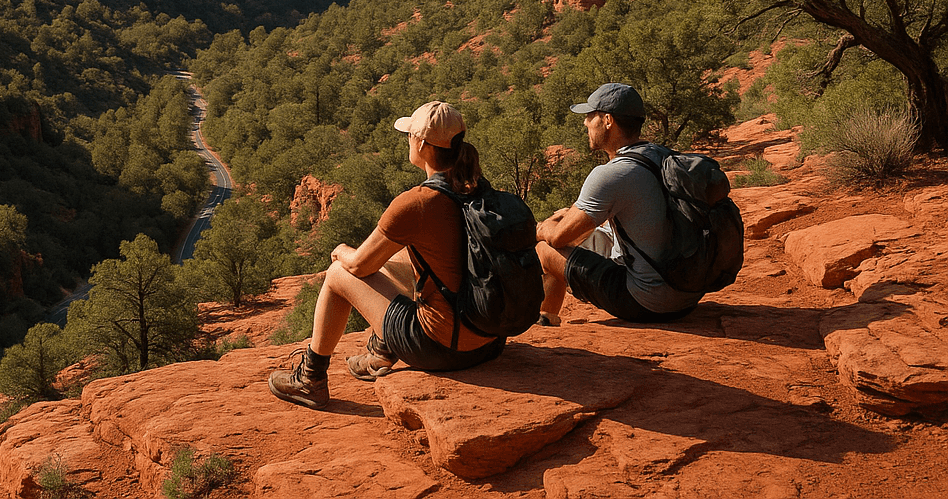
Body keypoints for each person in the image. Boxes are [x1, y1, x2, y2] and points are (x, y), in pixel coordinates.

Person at [268, 101, 506, 409]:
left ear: (421, 144)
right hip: (490, 342)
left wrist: (339, 250)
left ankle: (310, 380)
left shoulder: (416, 203)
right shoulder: (478, 189)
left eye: (410, 136)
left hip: (442, 349)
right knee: (402, 260)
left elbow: (358, 264)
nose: (408, 140)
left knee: (339, 274)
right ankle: (382, 351)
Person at [534, 82, 702, 325]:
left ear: (608, 120)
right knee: (586, 233)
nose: (585, 123)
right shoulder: (662, 156)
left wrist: (541, 228)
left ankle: (545, 322)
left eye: (590, 116)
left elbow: (559, 238)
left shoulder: (611, 174)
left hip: (645, 302)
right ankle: (546, 319)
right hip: (686, 294)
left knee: (545, 248)